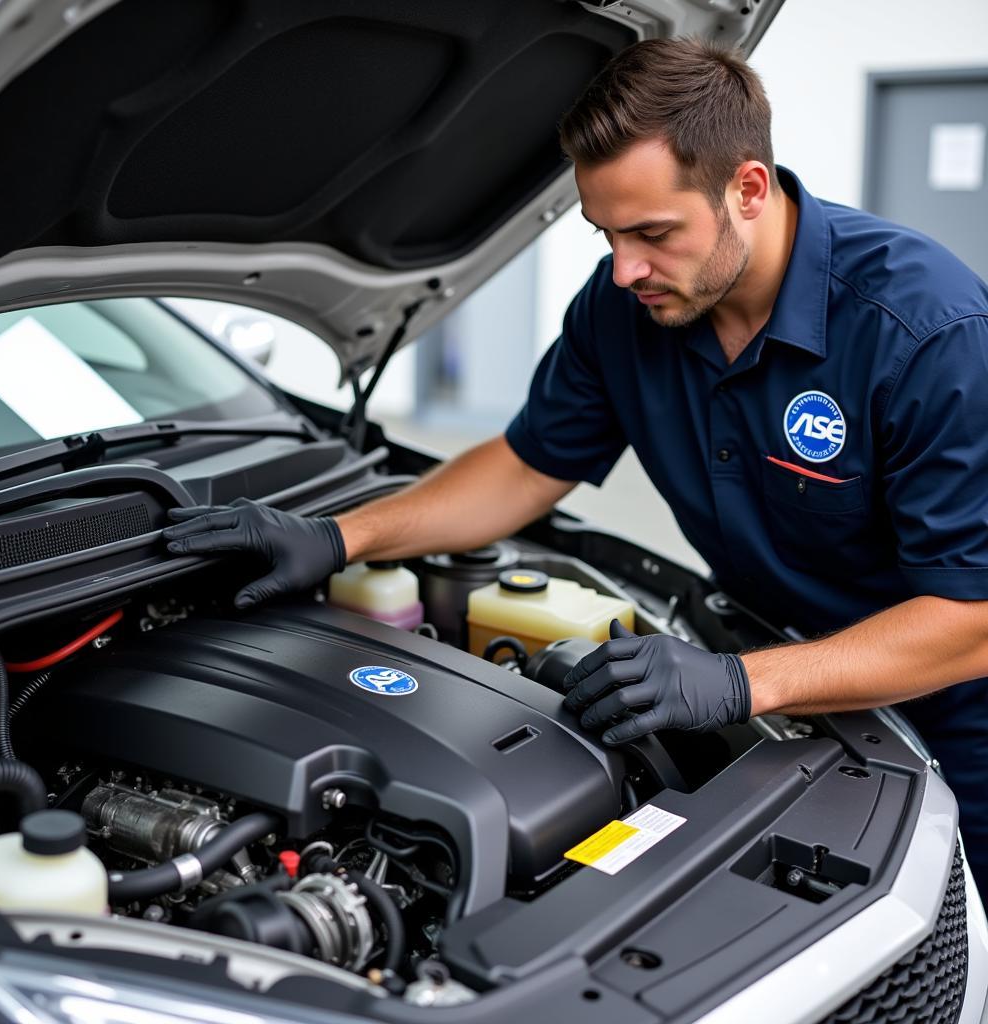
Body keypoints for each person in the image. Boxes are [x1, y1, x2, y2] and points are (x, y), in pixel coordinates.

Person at [163, 39, 988, 894]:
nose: (625, 268)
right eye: (606, 233)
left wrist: (739, 684)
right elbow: (526, 467)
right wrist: (340, 536)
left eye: (653, 233)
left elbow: (972, 620)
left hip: (954, 725)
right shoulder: (625, 307)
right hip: (770, 688)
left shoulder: (924, 331)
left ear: (747, 188)